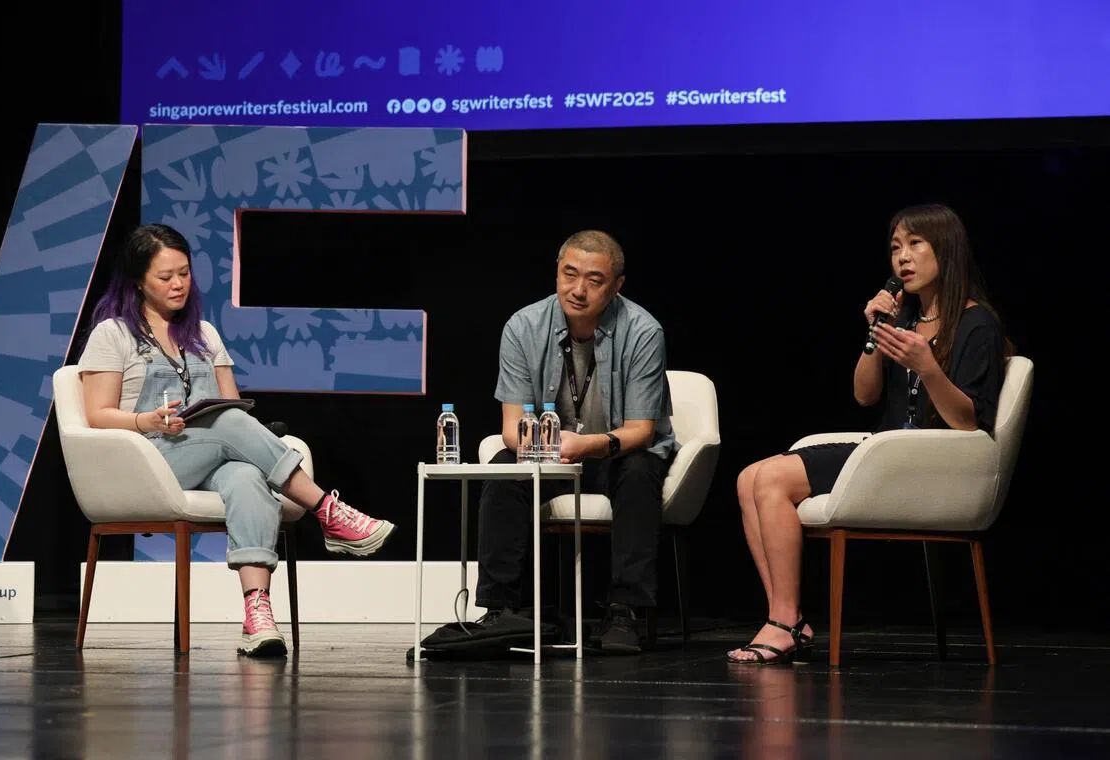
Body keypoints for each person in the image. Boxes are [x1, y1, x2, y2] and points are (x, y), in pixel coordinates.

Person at [76, 223, 396, 657]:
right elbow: (96, 414)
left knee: (246, 475)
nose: (178, 284)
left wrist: (225, 424)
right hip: (148, 460)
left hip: (205, 455)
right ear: (138, 281)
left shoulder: (204, 334)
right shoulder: (113, 334)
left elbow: (231, 407)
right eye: (165, 277)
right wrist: (146, 419)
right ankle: (327, 511)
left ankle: (256, 614)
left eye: (184, 273)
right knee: (227, 424)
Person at [729, 203, 1010, 664]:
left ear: (947, 249)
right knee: (748, 478)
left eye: (915, 244)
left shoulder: (977, 322)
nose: (903, 258)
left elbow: (968, 422)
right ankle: (786, 619)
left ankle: (783, 622)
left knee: (773, 479)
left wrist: (927, 367)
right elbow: (864, 395)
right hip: (886, 450)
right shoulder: (905, 317)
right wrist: (876, 333)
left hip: (933, 461)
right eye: (896, 247)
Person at [474, 229, 678, 654]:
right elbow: (512, 427)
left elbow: (641, 431)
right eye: (569, 274)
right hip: (551, 453)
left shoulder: (643, 331)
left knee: (639, 471)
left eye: (594, 280)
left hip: (616, 452)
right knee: (505, 468)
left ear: (617, 285)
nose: (578, 290)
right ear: (556, 272)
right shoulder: (523, 326)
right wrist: (548, 448)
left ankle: (625, 610)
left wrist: (585, 445)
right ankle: (499, 609)